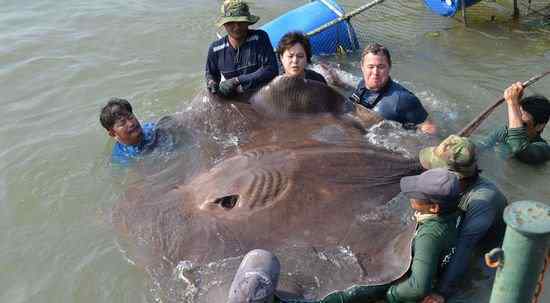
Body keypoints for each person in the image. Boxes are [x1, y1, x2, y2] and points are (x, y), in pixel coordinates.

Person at [228, 169, 461, 303]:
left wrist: (388, 294)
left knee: (349, 293)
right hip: (415, 253)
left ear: (434, 208)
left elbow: (418, 287)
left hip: (393, 280)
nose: (411, 197)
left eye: (417, 195)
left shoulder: (430, 236)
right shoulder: (449, 217)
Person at [418, 135, 507, 302]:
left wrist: (441, 292)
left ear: (454, 176)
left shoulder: (482, 201)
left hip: (485, 251)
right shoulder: (450, 188)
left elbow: (464, 248)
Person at [346, 43, 437, 134]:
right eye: (371, 67)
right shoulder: (362, 84)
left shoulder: (402, 99)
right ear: (362, 67)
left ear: (389, 67)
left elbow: (430, 128)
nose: (375, 72)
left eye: (381, 67)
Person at [205, 0, 278, 97]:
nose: (236, 27)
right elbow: (211, 73)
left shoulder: (260, 38)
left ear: (248, 22)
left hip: (262, 95)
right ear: (224, 24)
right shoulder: (215, 49)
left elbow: (271, 69)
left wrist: (237, 80)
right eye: (231, 23)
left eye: (241, 22)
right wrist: (211, 83)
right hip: (235, 97)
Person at [477, 82, 550, 164]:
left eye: (523, 124)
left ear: (539, 126)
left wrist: (512, 103)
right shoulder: (504, 132)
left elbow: (519, 148)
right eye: (515, 120)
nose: (515, 126)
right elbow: (479, 149)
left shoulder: (544, 149)